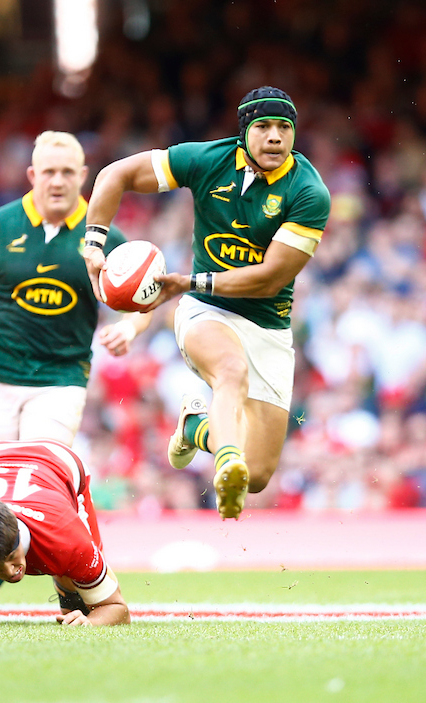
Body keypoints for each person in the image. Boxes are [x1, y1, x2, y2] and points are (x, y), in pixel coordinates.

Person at [82, 86, 331, 520]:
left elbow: (271, 278)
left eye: (284, 128)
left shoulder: (309, 192)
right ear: (243, 132)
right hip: (205, 310)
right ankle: (225, 459)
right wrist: (93, 242)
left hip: (267, 324)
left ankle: (195, 428)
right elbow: (114, 175)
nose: (275, 137)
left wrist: (188, 280)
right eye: (264, 127)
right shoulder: (207, 160)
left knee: (258, 475)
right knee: (229, 371)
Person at [0, 130, 151, 608]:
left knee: (42, 485)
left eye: (68, 172)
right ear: (33, 176)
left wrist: (132, 328)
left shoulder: (102, 236)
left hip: (60, 380)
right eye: (49, 172)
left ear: (83, 176)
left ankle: (68, 590)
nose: (58, 181)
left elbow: (147, 295)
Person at [0, 439, 129, 626]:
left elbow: (117, 609)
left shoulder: (67, 538)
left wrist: (91, 621)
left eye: (11, 557)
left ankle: (66, 587)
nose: (10, 571)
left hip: (57, 461)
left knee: (79, 611)